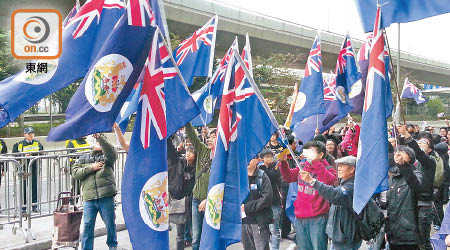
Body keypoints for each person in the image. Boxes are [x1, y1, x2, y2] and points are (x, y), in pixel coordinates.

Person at [279, 140, 337, 250]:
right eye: (306, 151)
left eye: (311, 152)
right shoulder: (302, 166)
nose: (307, 154)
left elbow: (329, 180)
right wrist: (283, 163)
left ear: (320, 155)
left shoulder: (328, 168)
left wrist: (315, 163)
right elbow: (289, 177)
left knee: (318, 247)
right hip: (300, 217)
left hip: (318, 218)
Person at [300, 156, 361, 250]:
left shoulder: (352, 186)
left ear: (352, 169)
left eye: (342, 166)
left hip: (346, 237)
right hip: (341, 236)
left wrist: (312, 181)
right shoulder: (345, 183)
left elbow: (336, 195)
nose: (338, 168)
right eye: (338, 165)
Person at [72, 133, 118, 250]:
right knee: (87, 226)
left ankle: (112, 246)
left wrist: (100, 137)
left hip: (106, 196)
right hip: (89, 199)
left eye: (100, 142)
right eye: (96, 141)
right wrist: (91, 167)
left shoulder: (107, 156)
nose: (98, 144)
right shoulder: (83, 157)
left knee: (110, 225)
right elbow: (75, 173)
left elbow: (111, 151)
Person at [398, 127, 436, 250]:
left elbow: (418, 153)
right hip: (409, 205)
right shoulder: (410, 164)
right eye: (418, 141)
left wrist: (408, 136)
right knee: (411, 241)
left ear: (430, 149)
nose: (420, 144)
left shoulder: (429, 162)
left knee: (423, 243)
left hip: (423, 206)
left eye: (423, 143)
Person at [184, 123, 216, 250]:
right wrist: (187, 118)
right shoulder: (202, 150)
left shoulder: (223, 158)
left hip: (212, 202)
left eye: (213, 137)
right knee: (196, 236)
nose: (209, 139)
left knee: (211, 236)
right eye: (209, 136)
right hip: (196, 200)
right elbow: (192, 135)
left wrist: (208, 199)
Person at [385, 145, 423, 250]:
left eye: (402, 153)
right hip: (393, 233)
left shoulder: (416, 174)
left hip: (409, 233)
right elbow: (389, 206)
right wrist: (386, 230)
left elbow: (415, 186)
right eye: (397, 153)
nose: (398, 155)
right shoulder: (393, 178)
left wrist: (403, 166)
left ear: (410, 157)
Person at [168, 137, 196, 250]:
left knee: (195, 234)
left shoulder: (199, 168)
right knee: (179, 236)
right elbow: (170, 151)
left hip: (194, 203)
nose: (188, 154)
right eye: (187, 151)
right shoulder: (179, 163)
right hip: (180, 203)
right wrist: (168, 136)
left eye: (191, 152)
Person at [241, 156, 273, 250]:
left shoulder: (262, 177)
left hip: (259, 221)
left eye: (250, 158)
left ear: (257, 160)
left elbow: (266, 199)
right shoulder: (240, 177)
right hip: (244, 221)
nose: (247, 161)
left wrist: (246, 207)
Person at [12, 127, 43, 212]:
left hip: (34, 167)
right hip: (24, 168)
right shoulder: (19, 144)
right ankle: (23, 207)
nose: (31, 135)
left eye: (32, 133)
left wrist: (34, 154)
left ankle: (34, 205)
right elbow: (14, 155)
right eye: (29, 134)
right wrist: (23, 156)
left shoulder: (37, 143)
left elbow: (42, 152)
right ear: (24, 134)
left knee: (34, 186)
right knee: (23, 188)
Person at [258, 148, 282, 250]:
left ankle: (275, 248)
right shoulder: (259, 169)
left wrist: (266, 167)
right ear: (262, 158)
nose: (269, 158)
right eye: (266, 157)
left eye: (271, 156)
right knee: (263, 229)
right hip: (263, 203)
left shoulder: (276, 167)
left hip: (275, 202)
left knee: (274, 229)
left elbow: (272, 176)